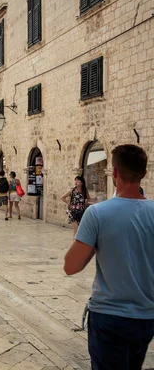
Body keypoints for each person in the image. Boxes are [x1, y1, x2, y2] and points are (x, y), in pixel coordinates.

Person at [63, 144, 154, 369]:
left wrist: (96, 241)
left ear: (114, 172)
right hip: (146, 317)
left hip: (109, 315)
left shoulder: (97, 214)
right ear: (144, 173)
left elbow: (71, 266)